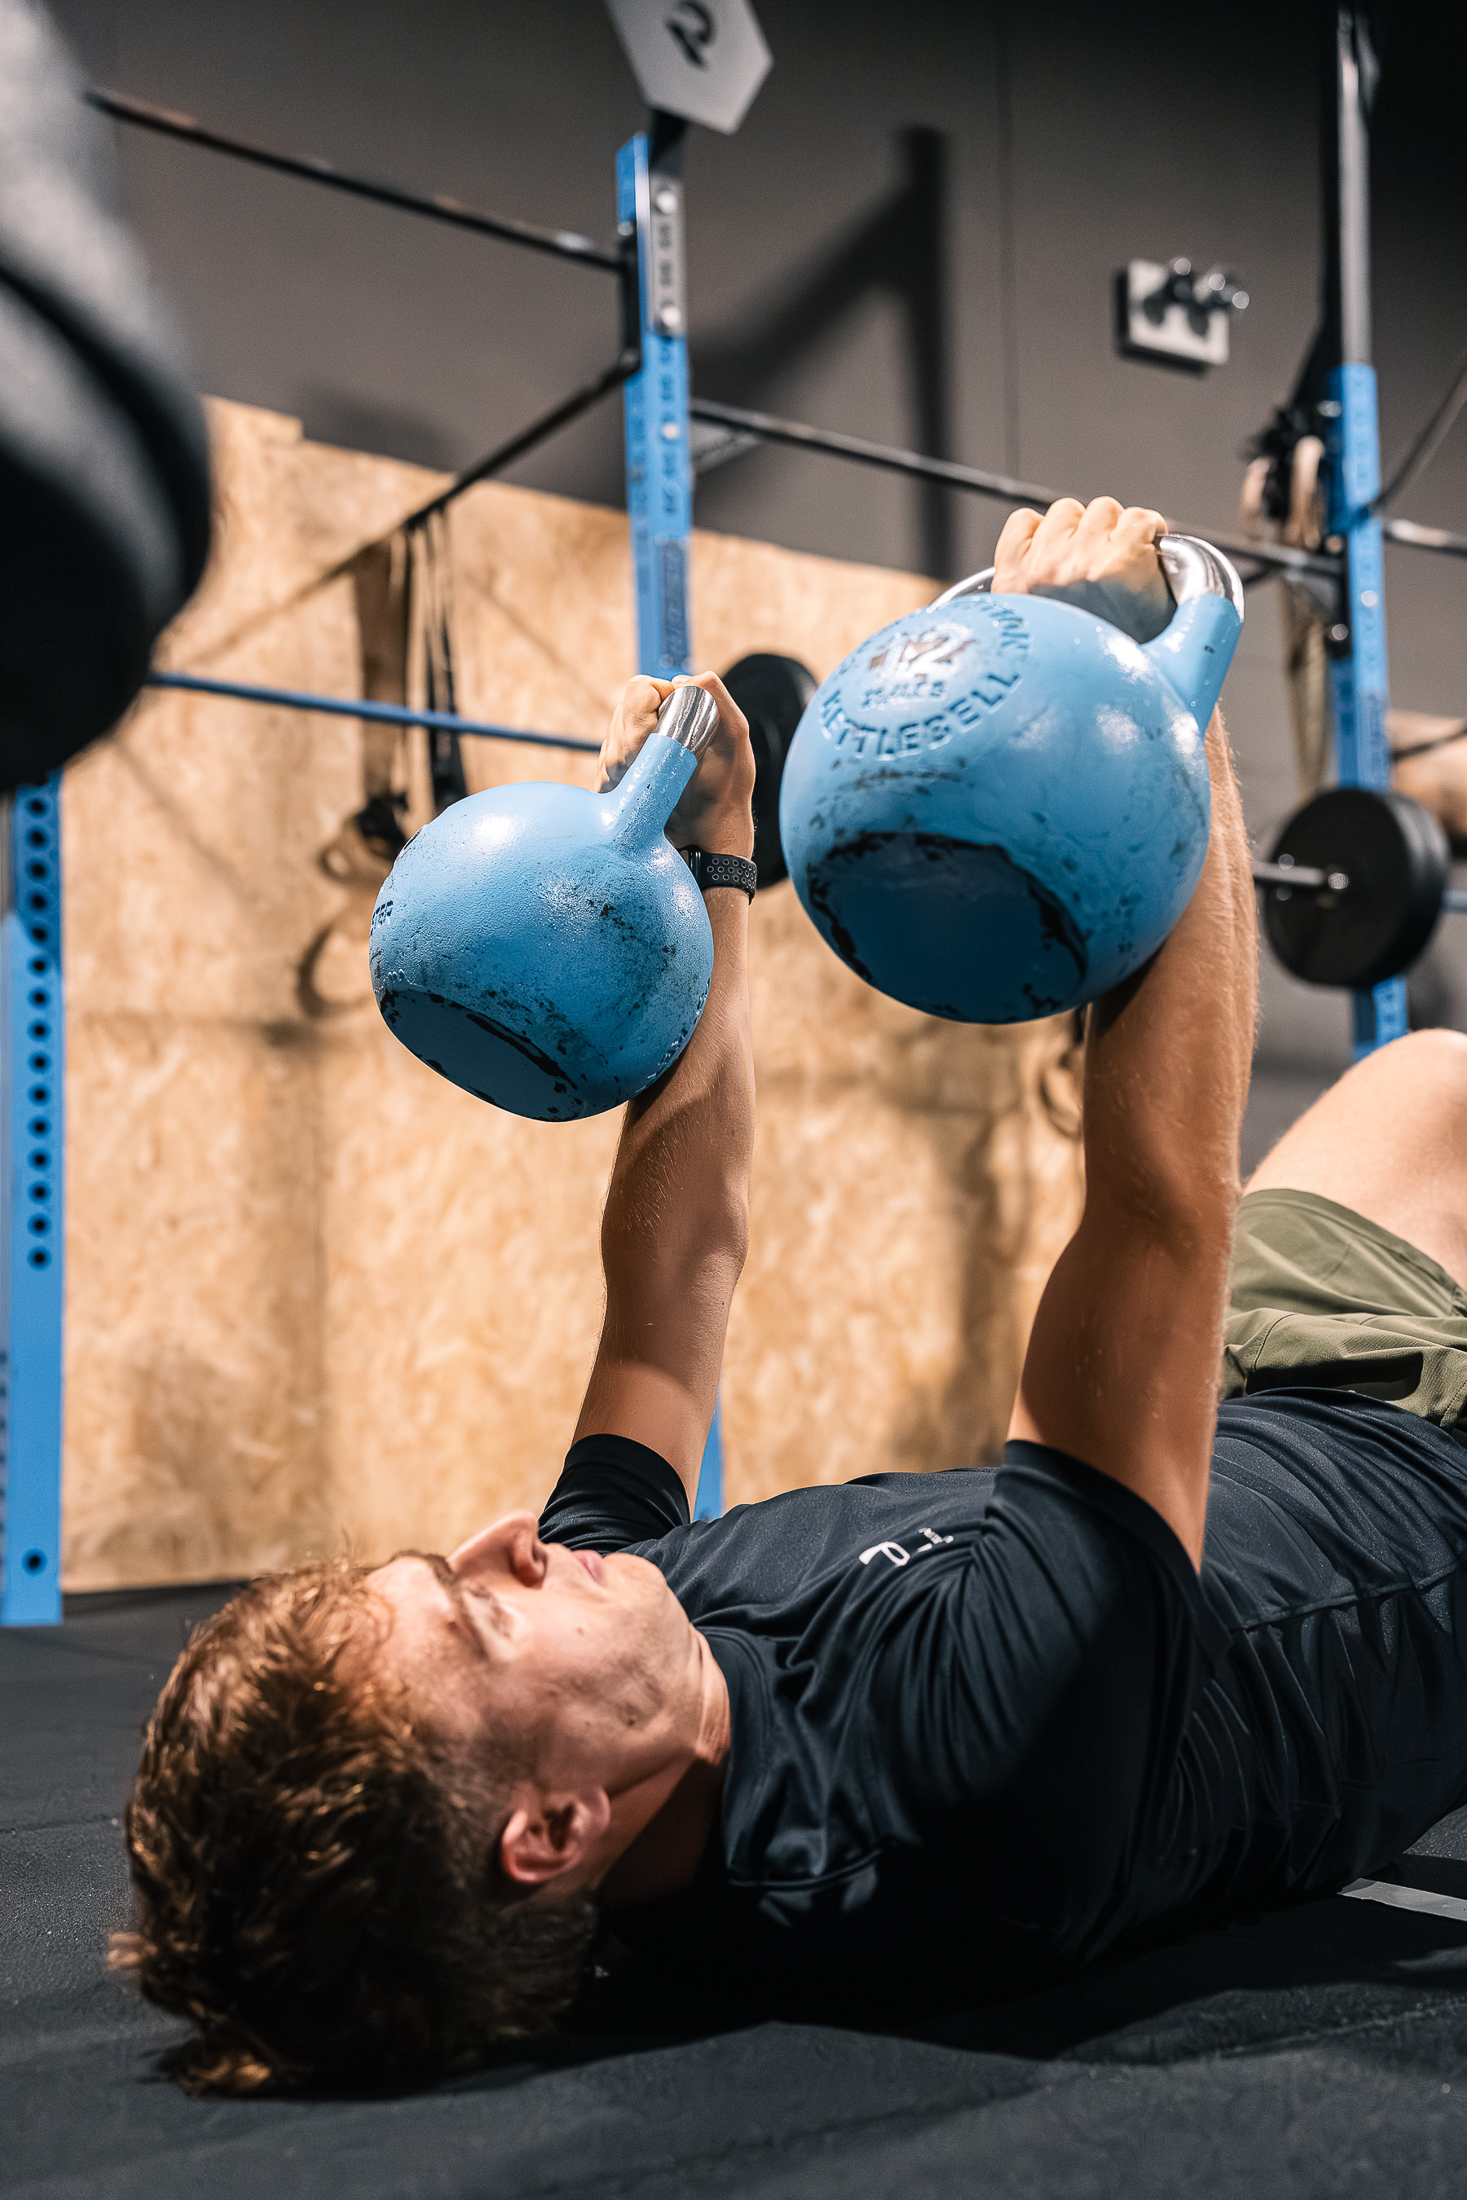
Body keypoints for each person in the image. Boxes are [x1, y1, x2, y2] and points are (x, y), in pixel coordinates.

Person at [115, 496, 1467, 2097]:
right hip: (1431, 1487)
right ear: (551, 1832)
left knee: (1429, 1079)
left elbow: (674, 1276)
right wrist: (1151, 688)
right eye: (478, 1614)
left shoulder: (616, 1664)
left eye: (444, 1566)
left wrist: (715, 855)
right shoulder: (960, 1792)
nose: (507, 1540)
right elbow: (1161, 1205)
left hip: (1262, 1406)